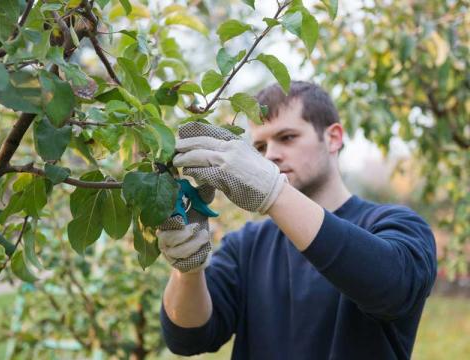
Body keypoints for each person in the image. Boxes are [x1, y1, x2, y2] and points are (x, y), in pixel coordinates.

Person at [157, 81, 437, 359]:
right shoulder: (246, 246)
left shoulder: (397, 225)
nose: (271, 155)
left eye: (287, 137)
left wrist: (274, 193)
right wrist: (188, 271)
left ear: (333, 137)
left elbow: (394, 287)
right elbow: (188, 338)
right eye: (260, 146)